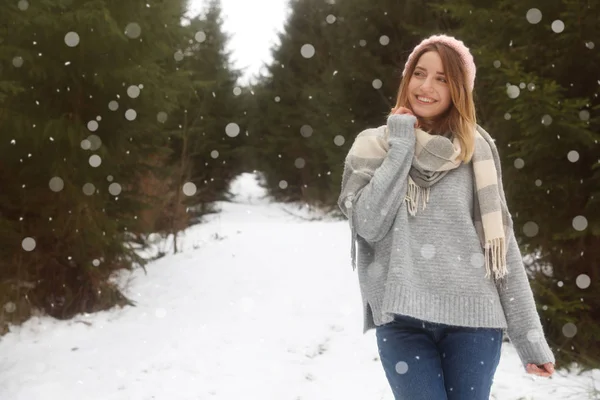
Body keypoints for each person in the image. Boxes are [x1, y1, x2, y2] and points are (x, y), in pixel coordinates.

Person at [338, 34, 555, 400]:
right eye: (419, 74)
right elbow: (369, 224)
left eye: (441, 78)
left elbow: (501, 249)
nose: (426, 86)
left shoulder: (476, 152)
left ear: (459, 89)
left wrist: (531, 341)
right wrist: (401, 146)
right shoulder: (373, 146)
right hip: (402, 320)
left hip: (475, 322)